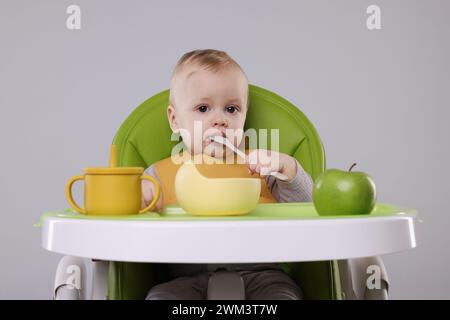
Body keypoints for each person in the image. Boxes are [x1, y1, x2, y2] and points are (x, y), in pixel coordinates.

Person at [141, 49, 313, 300]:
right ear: (175, 120)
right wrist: (139, 200)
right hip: (183, 279)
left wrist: (288, 168)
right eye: (203, 108)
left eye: (231, 109)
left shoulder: (263, 166)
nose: (219, 120)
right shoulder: (158, 174)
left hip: (263, 275)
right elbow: (129, 226)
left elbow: (307, 210)